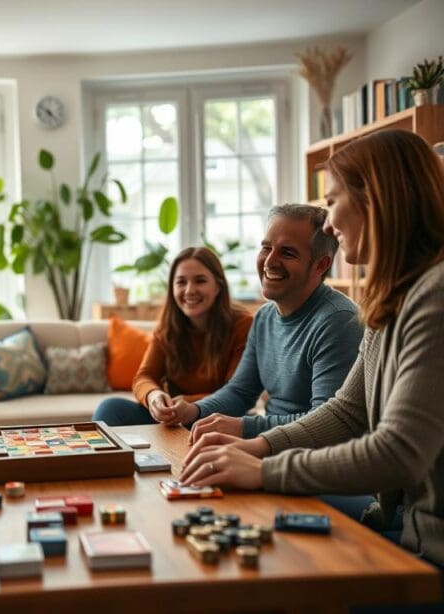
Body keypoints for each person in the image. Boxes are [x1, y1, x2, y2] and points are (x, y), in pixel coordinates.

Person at [180, 130, 444, 575]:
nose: (328, 225)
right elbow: (347, 413)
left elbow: (398, 453)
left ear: (376, 201)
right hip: (408, 533)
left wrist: (263, 469)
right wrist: (258, 447)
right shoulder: (394, 299)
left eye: (334, 200)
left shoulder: (434, 297)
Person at [181, 204, 363, 440]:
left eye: (287, 253)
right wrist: (193, 411)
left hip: (309, 459)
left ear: (321, 265)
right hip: (268, 446)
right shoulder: (265, 317)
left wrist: (244, 428)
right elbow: (240, 392)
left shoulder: (339, 321)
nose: (269, 262)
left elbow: (326, 424)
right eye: (266, 247)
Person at [93, 247, 253, 427]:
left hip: (218, 416)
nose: (189, 290)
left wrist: (188, 403)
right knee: (110, 408)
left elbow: (236, 394)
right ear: (172, 288)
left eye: (200, 281)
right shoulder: (167, 329)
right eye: (181, 282)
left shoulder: (243, 326)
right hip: (174, 414)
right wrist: (153, 396)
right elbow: (144, 377)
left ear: (218, 287)